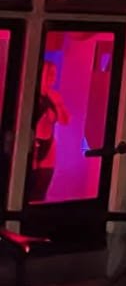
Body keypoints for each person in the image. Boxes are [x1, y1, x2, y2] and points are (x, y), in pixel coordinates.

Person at [27, 65, 69, 203]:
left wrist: (58, 105)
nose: (52, 77)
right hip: (32, 142)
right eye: (49, 73)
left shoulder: (54, 96)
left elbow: (65, 120)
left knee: (43, 181)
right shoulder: (30, 94)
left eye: (54, 74)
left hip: (48, 141)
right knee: (29, 182)